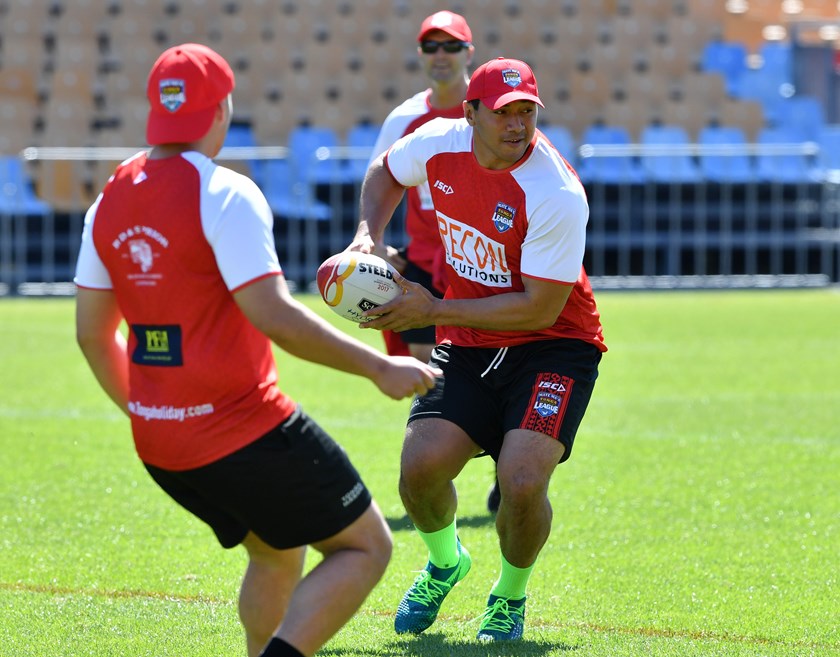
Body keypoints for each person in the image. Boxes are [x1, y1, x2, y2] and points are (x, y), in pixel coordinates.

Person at [73, 43, 440, 657]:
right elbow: (275, 318)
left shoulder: (108, 198)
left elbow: (90, 334)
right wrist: (379, 366)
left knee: (276, 550)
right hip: (241, 428)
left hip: (159, 444)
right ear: (221, 111)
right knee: (366, 546)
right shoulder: (226, 194)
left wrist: (147, 412)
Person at [350, 57, 606, 642]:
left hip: (553, 345)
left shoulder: (555, 191)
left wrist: (433, 309)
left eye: (527, 112)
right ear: (470, 113)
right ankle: (446, 563)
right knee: (419, 469)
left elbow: (539, 308)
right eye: (503, 112)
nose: (517, 125)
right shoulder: (439, 142)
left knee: (519, 481)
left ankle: (509, 596)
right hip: (469, 340)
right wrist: (369, 236)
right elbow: (385, 172)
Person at [369, 9, 502, 514]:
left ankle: (502, 466)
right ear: (422, 55)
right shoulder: (404, 120)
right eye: (432, 46)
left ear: (469, 53)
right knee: (432, 373)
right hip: (427, 264)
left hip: (485, 263)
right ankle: (433, 468)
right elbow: (382, 180)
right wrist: (373, 241)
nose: (441, 56)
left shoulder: (492, 113)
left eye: (451, 46)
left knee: (497, 360)